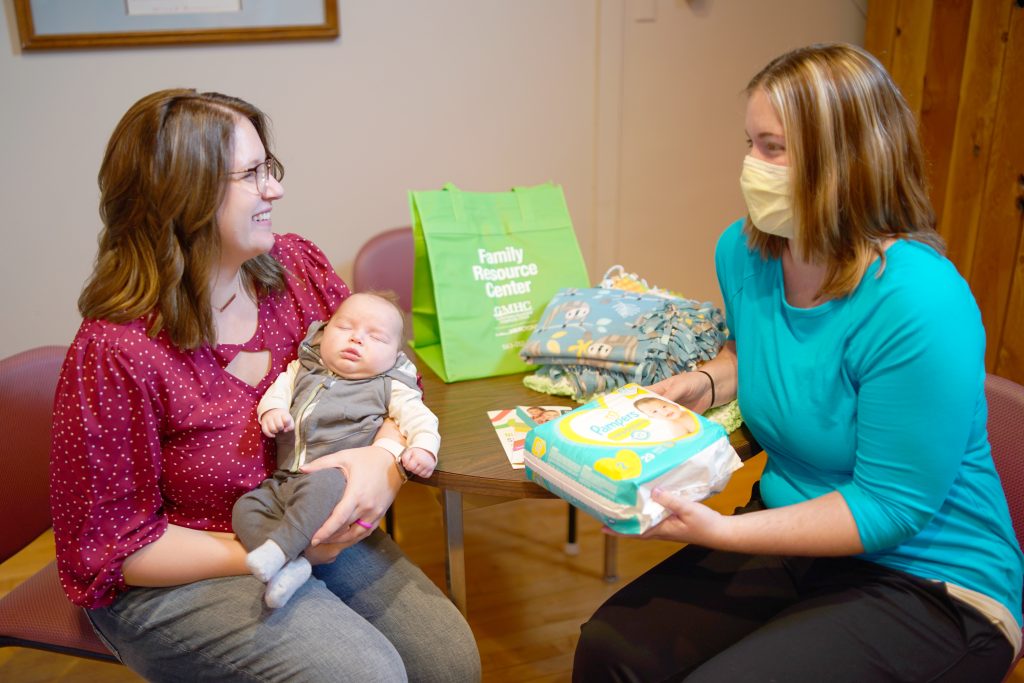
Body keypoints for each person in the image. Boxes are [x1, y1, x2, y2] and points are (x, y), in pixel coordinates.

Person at [573, 43, 1023, 682]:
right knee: (612, 649)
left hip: (930, 577)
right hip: (792, 531)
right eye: (750, 143)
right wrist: (710, 378)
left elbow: (891, 508)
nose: (751, 165)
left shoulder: (918, 299)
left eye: (774, 147)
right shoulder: (744, 253)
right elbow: (760, 349)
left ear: (850, 159)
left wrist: (717, 533)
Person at [49, 89, 480, 682]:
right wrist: (278, 548)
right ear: (184, 193)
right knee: (363, 675)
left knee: (449, 661)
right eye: (251, 175)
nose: (274, 190)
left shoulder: (297, 272)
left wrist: (386, 466)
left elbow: (392, 378)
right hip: (179, 567)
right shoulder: (116, 351)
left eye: (268, 168)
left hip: (303, 522)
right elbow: (111, 548)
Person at [233, 291, 440, 608]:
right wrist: (272, 412)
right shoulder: (301, 369)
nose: (356, 339)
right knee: (246, 508)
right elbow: (277, 394)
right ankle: (292, 564)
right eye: (344, 327)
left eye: (376, 337)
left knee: (323, 483)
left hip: (335, 483)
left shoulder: (390, 386)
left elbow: (421, 419)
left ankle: (281, 550)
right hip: (284, 480)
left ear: (395, 356)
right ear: (323, 332)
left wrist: (424, 450)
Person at [633, 395, 697, 439]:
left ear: (674, 404)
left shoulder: (689, 411)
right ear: (653, 417)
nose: (663, 411)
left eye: (664, 406)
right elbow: (687, 442)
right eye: (654, 412)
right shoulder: (675, 426)